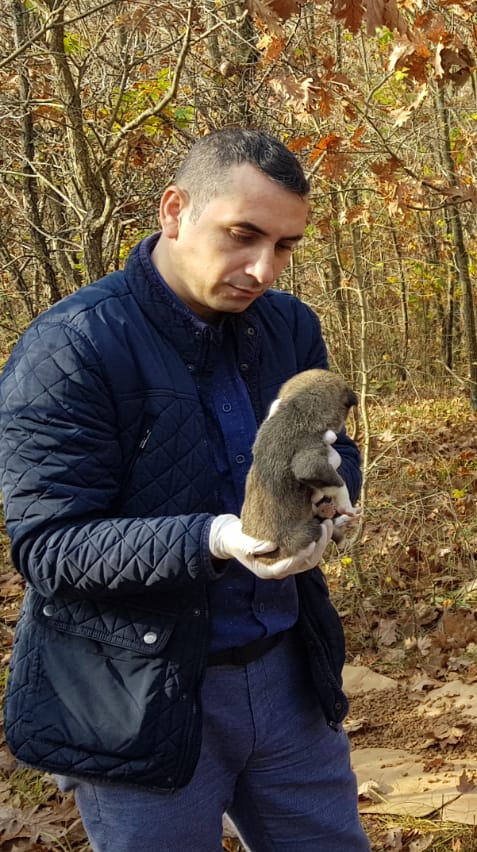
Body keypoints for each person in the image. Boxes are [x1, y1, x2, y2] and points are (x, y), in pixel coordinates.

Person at [0, 128, 369, 851]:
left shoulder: (289, 329)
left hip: (289, 676)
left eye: (285, 246)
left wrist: (334, 494)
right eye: (243, 235)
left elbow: (334, 445)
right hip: (137, 695)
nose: (264, 268)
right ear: (175, 211)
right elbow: (49, 547)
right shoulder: (71, 347)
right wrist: (215, 538)